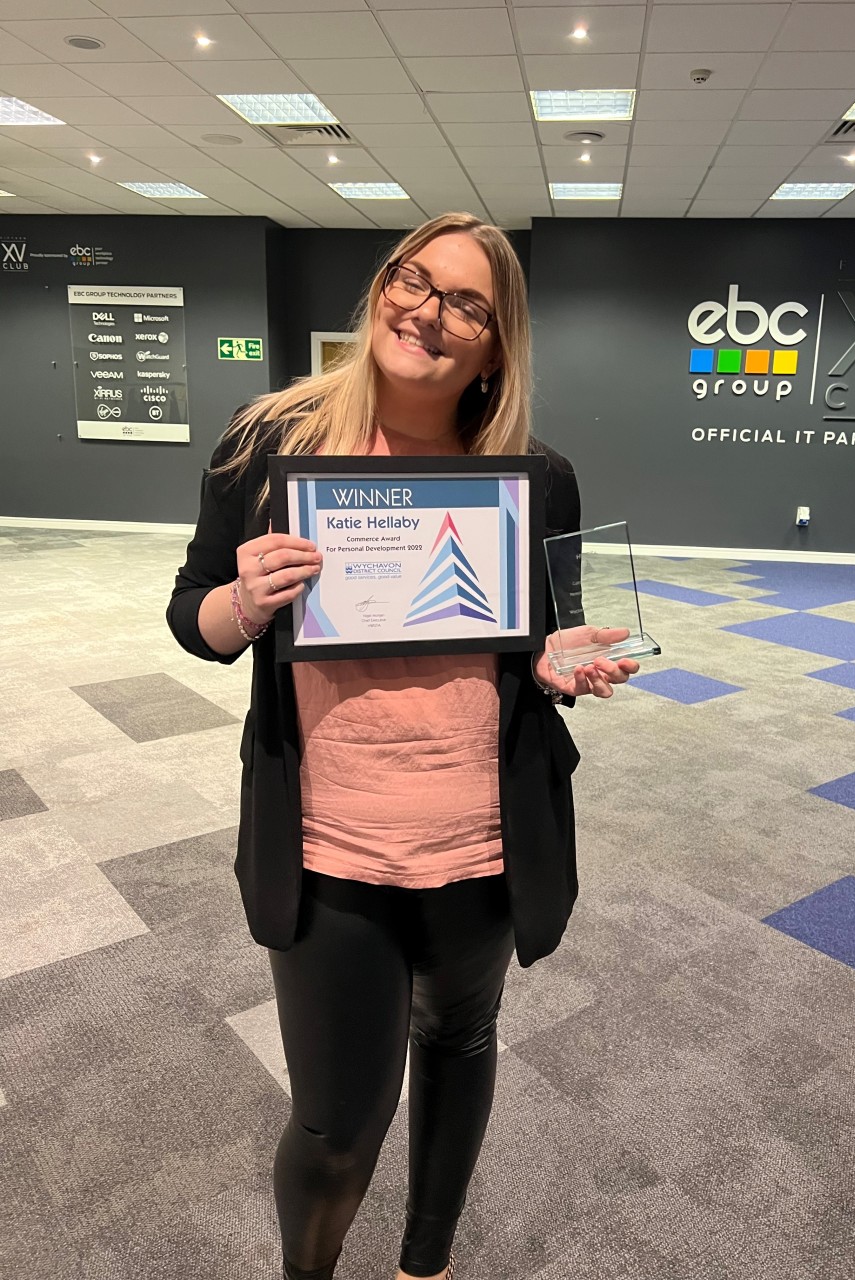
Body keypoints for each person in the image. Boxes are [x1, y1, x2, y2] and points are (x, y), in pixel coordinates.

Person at [167, 212, 638, 1280]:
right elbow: (191, 609)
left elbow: (540, 642)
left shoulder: (536, 476)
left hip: (479, 838)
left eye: (464, 301)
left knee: (461, 1041)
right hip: (331, 841)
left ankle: (424, 1263)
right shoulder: (268, 443)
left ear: (497, 341)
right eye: (411, 279)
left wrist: (556, 667)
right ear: (383, 286)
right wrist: (241, 603)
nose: (425, 310)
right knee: (337, 1122)